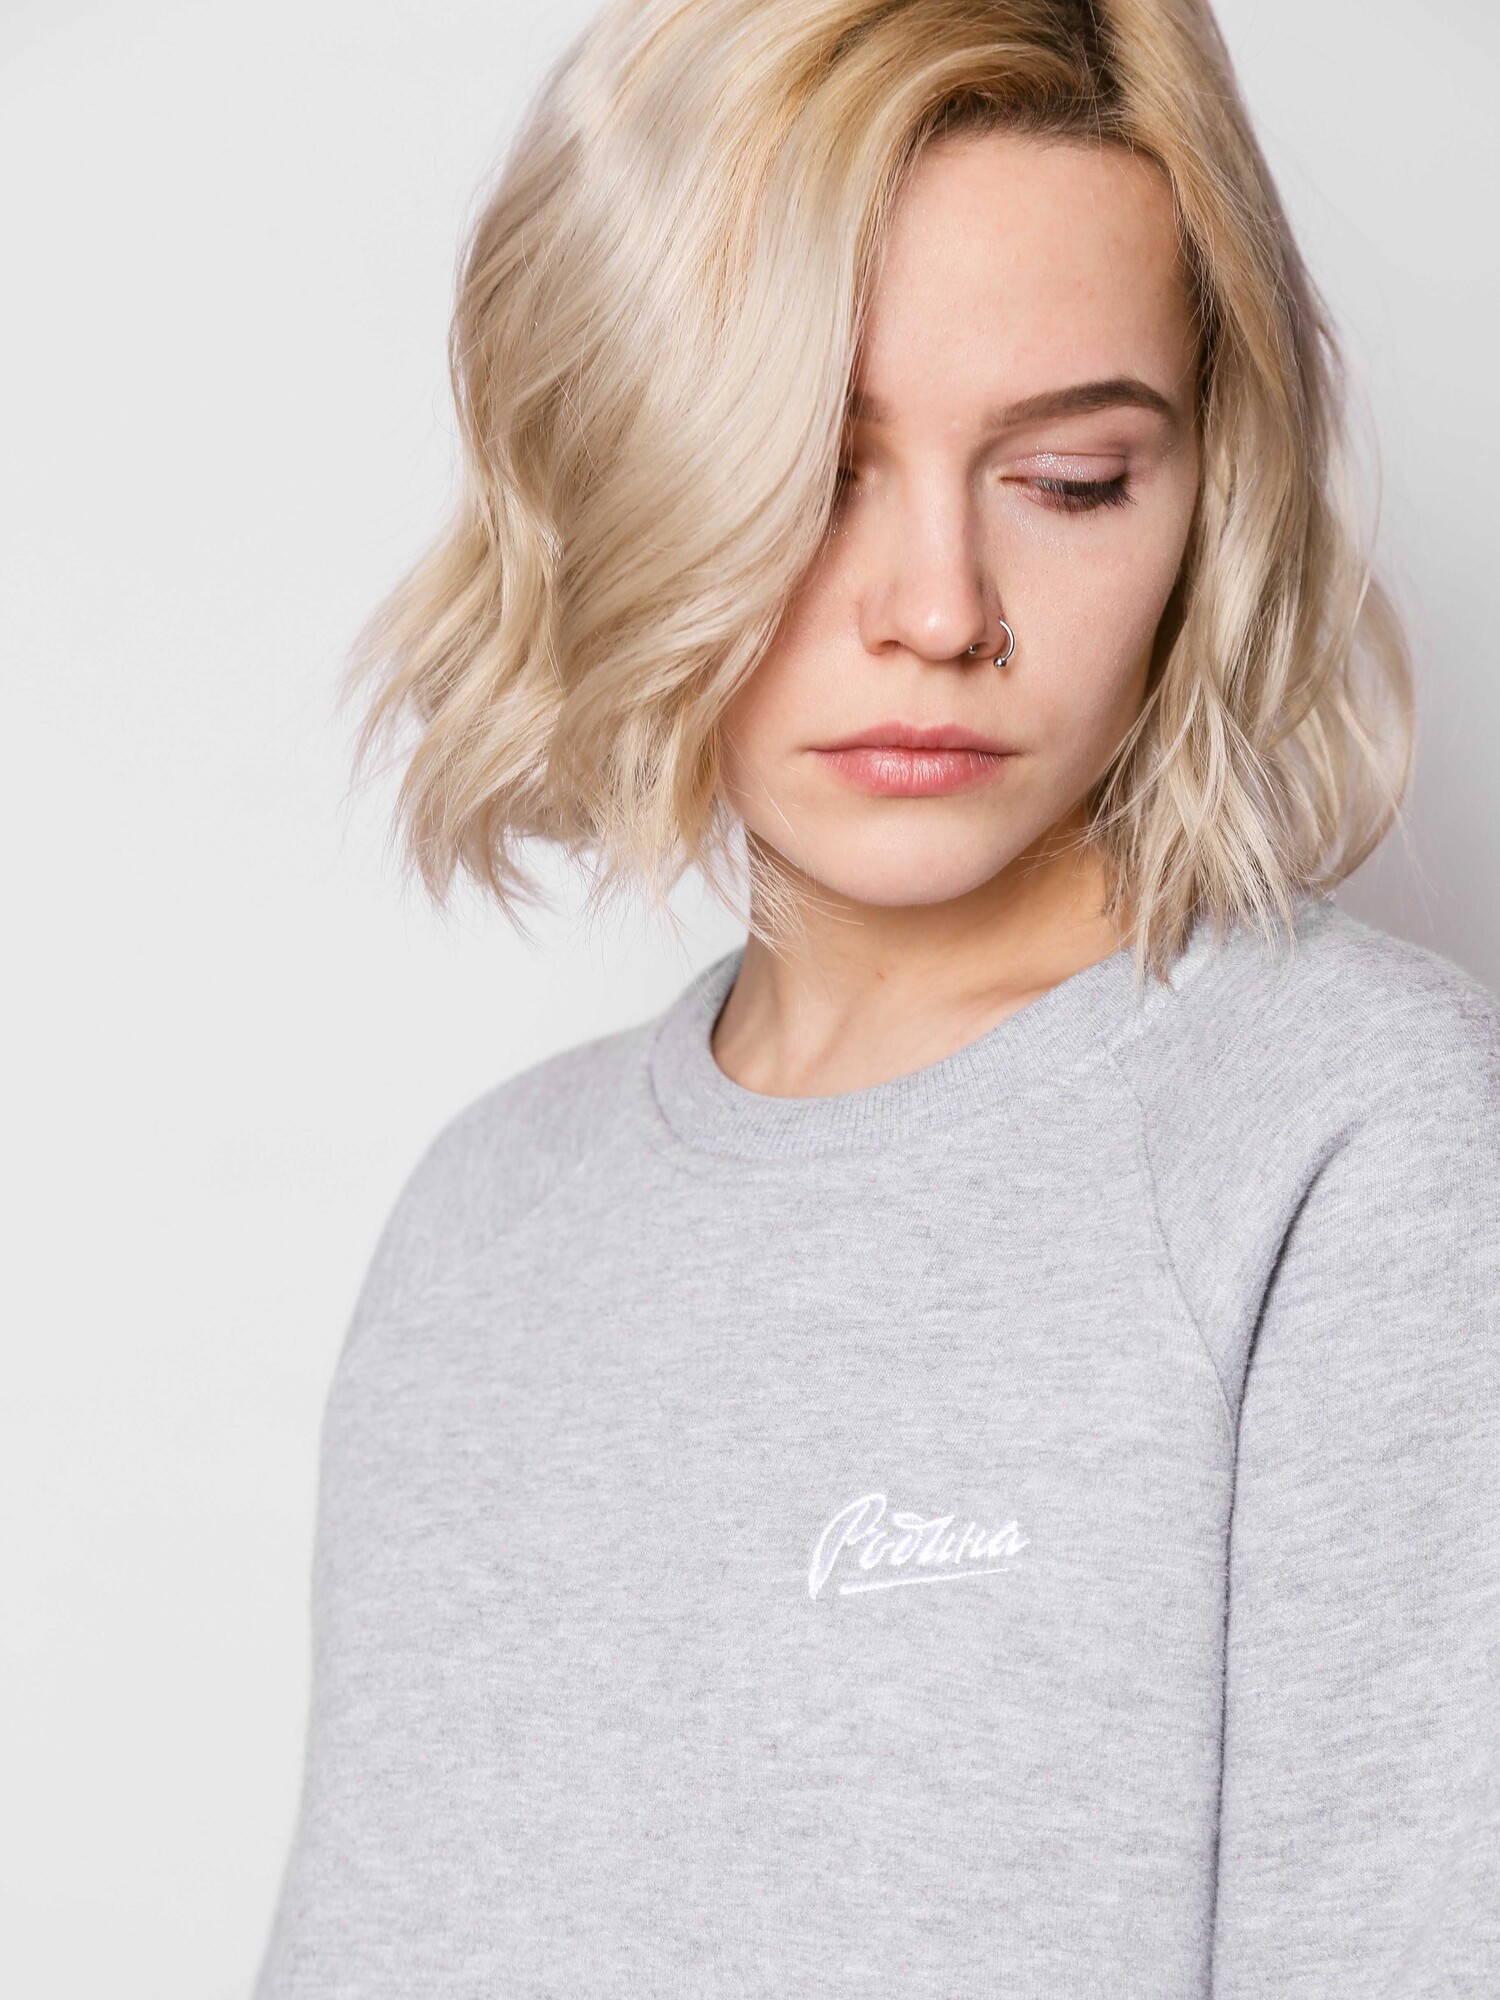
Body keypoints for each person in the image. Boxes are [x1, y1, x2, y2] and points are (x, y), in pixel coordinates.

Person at [252, 1, 1500, 1994]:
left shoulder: (1345, 1146)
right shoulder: (483, 1217)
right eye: (813, 472)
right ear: (624, 468)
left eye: (1071, 480)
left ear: (1208, 494)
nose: (938, 608)